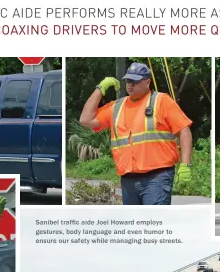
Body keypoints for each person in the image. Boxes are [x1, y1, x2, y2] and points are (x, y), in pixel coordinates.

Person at [79, 62, 193, 205]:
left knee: (153, 223)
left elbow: (184, 130)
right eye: (128, 81)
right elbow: (85, 119)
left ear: (147, 82)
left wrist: (185, 165)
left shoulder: (161, 101)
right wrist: (100, 89)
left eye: (135, 81)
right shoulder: (116, 107)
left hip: (157, 176)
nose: (130, 85)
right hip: (128, 179)